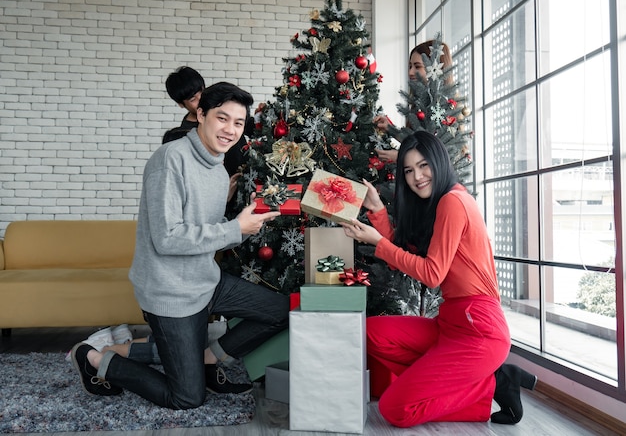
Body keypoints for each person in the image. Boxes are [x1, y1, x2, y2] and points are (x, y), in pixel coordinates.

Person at [70, 82, 289, 409]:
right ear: (200, 115)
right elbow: (168, 237)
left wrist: (246, 223)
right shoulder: (170, 160)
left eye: (238, 123)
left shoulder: (217, 167)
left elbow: (207, 231)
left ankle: (208, 359)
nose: (230, 130)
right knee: (186, 396)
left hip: (204, 279)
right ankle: (94, 359)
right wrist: (234, 228)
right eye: (222, 118)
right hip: (170, 291)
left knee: (280, 311)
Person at [340, 131, 537, 427]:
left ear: (439, 163)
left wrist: (378, 243)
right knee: (370, 333)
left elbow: (432, 274)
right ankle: (468, 379)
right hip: (450, 324)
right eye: (408, 170)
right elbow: (406, 255)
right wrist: (378, 210)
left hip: (479, 330)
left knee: (395, 410)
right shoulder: (439, 203)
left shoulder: (454, 201)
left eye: (424, 166)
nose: (417, 176)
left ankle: (491, 386)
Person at [374, 40, 453, 164]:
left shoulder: (445, 107)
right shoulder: (419, 106)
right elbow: (416, 141)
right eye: (410, 66)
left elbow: (438, 156)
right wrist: (390, 128)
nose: (410, 72)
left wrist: (401, 157)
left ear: (435, 68)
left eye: (417, 66)